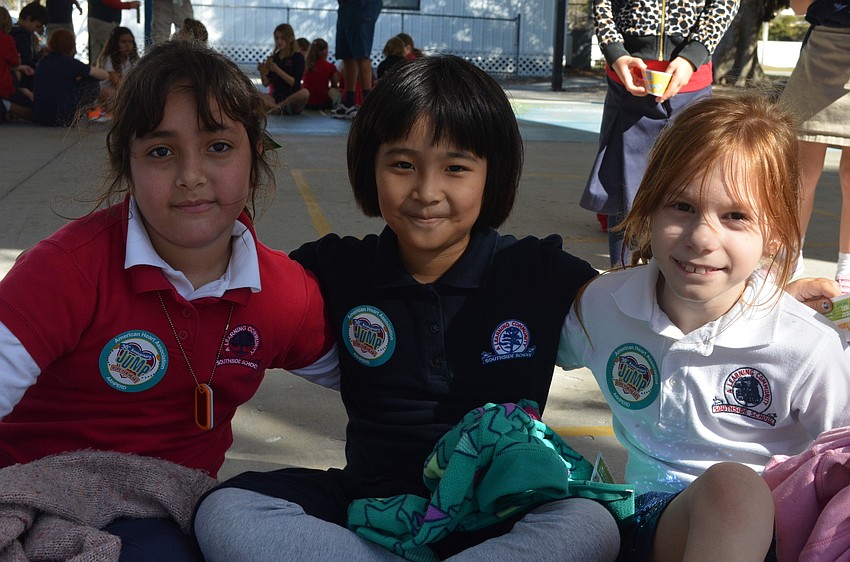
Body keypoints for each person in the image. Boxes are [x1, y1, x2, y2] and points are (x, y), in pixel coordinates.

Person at [193, 54, 621, 562]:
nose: (426, 192)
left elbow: (639, 311)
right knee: (225, 509)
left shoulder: (537, 271)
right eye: (402, 165)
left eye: (456, 168)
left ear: (494, 174)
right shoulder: (337, 268)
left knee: (590, 522)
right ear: (369, 167)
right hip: (372, 505)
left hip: (499, 512)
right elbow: (232, 279)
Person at [0, 40, 336, 559]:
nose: (191, 175)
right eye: (161, 151)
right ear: (126, 165)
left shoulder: (284, 294)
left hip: (166, 507)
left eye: (218, 147)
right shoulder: (65, 270)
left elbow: (378, 384)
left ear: (256, 154)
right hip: (36, 488)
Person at [558, 94, 850, 561]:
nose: (701, 237)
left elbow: (841, 456)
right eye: (682, 206)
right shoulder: (604, 305)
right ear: (649, 208)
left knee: (736, 487)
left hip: (778, 529)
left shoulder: (807, 346)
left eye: (735, 216)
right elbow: (526, 354)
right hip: (648, 520)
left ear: (775, 233)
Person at [581, 0, 740, 267]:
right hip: (629, 75)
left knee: (694, 183)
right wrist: (616, 52)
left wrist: (693, 55)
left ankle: (680, 275)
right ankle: (623, 278)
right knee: (623, 188)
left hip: (691, 80)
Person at [778, 0, 850, 288]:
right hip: (823, 48)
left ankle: (847, 271)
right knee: (801, 174)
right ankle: (788, 259)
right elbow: (797, 6)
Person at [33, 28, 109, 126]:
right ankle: (81, 115)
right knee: (92, 81)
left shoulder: (42, 62)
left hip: (41, 117)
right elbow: (104, 75)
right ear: (72, 47)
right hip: (65, 118)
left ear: (50, 45)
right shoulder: (71, 64)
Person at [330, 0, 382, 119]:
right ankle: (349, 102)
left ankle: (367, 106)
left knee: (362, 54)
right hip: (346, 6)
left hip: (362, 6)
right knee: (347, 55)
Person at [257, 23, 309, 115]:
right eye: (277, 38)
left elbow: (294, 82)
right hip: (276, 98)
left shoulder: (298, 57)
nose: (279, 41)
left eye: (282, 38)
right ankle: (277, 108)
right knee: (255, 93)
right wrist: (262, 71)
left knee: (305, 93)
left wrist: (277, 70)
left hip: (293, 99)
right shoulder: (274, 58)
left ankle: (278, 108)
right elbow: (266, 83)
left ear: (290, 38)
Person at [0, 7, 34, 123]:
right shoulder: (5, 39)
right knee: (34, 109)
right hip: (3, 87)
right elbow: (15, 61)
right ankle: (6, 106)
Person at [87, 0, 140, 66]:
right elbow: (109, 1)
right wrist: (128, 5)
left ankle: (96, 72)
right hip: (105, 21)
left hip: (97, 19)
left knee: (97, 53)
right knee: (114, 50)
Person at [9, 1, 47, 93]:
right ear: (28, 19)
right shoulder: (22, 35)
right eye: (37, 26)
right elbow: (27, 60)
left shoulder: (15, 32)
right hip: (25, 81)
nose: (36, 30)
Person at [95, 25, 137, 103]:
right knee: (109, 93)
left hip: (124, 92)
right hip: (111, 95)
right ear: (115, 43)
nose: (127, 45)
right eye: (123, 42)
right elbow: (115, 81)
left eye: (130, 42)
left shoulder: (132, 60)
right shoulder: (107, 59)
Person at [302, 37, 340, 110]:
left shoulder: (305, 66)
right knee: (336, 92)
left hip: (306, 103)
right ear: (325, 51)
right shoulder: (330, 66)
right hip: (323, 104)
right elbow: (334, 85)